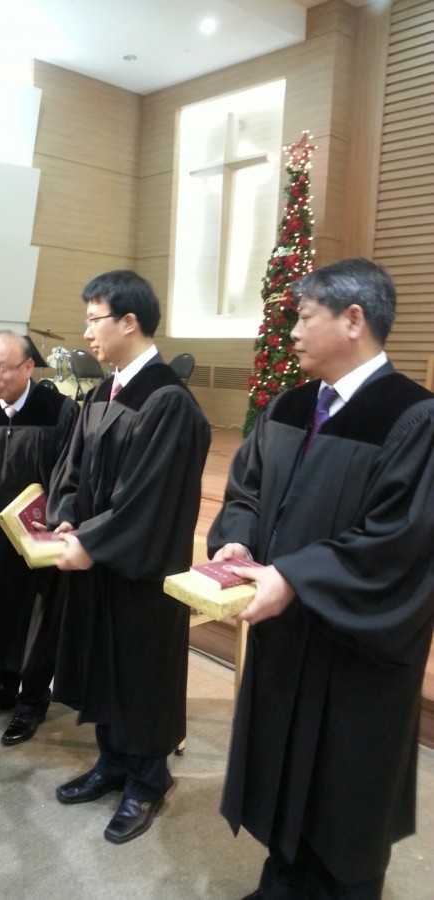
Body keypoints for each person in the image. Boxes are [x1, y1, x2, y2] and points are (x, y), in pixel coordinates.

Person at [208, 257, 434, 899]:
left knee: (344, 793)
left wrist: (295, 578)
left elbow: (401, 542)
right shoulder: (289, 406)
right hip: (287, 634)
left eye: (304, 317)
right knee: (283, 776)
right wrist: (238, 540)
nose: (293, 332)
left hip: (354, 650)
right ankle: (281, 882)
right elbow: (247, 490)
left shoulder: (415, 419)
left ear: (353, 320)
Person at [46, 269, 211, 844]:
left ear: (129, 322)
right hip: (99, 563)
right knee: (103, 661)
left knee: (141, 670)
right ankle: (112, 762)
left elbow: (150, 500)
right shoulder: (102, 394)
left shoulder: (169, 402)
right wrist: (67, 516)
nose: (87, 332)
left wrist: (91, 542)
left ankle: (147, 779)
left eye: (95, 319)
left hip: (142, 570)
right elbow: (71, 470)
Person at [0, 330, 78, 745]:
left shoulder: (58, 411)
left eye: (1, 368)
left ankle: (32, 701)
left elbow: (71, 473)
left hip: (36, 538)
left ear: (28, 367)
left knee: (37, 620)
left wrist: (57, 518)